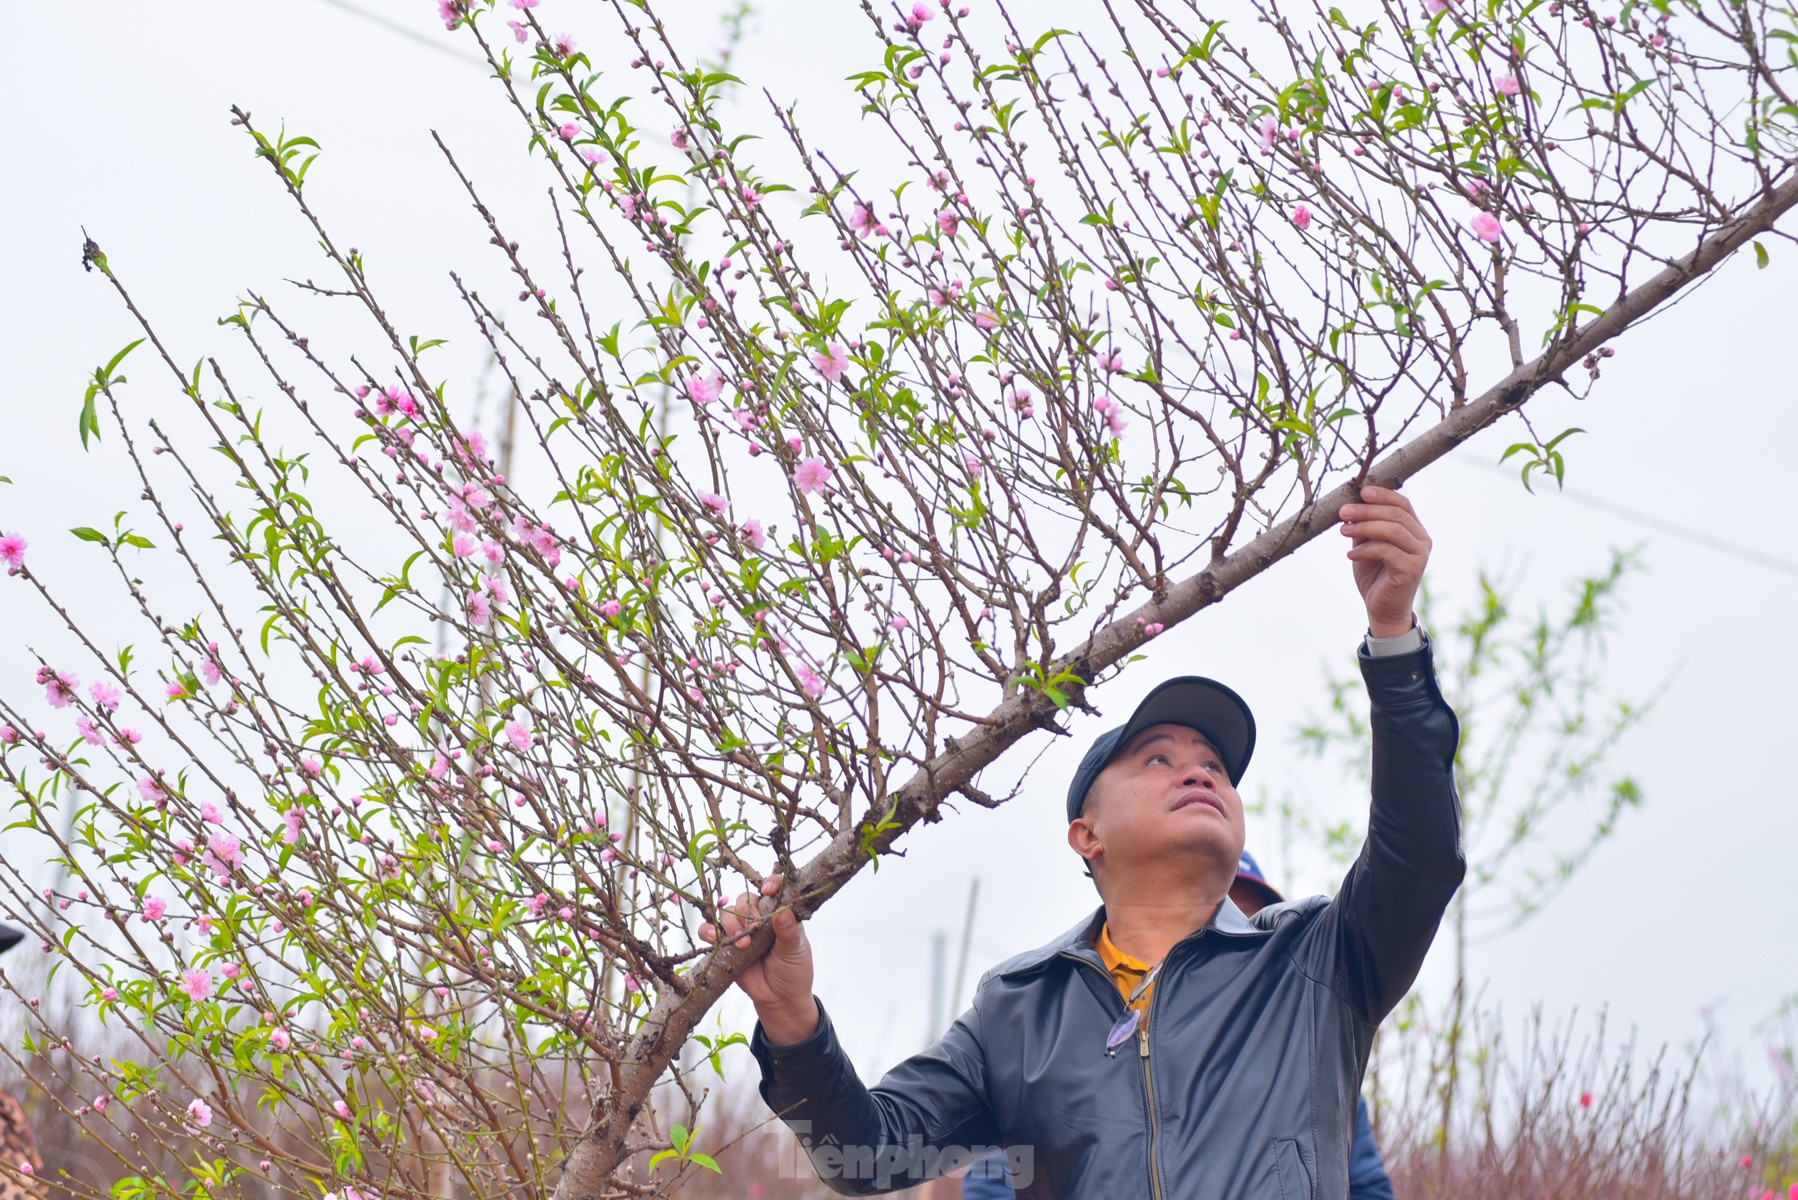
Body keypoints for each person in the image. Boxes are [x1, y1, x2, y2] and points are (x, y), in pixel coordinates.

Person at [703, 486, 1462, 1198]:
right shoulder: (1020, 1009)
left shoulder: (1313, 964)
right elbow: (864, 1156)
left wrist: (1393, 639)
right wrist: (792, 1020)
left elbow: (1418, 855)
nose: (1198, 773)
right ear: (1086, 835)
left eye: (1214, 766)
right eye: (1159, 758)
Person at [959, 851, 1398, 1200]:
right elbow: (999, 1177)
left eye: (1246, 924)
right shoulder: (1068, 1048)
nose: (1225, 939)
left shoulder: (1312, 1070)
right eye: (1209, 924)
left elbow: (1365, 1188)